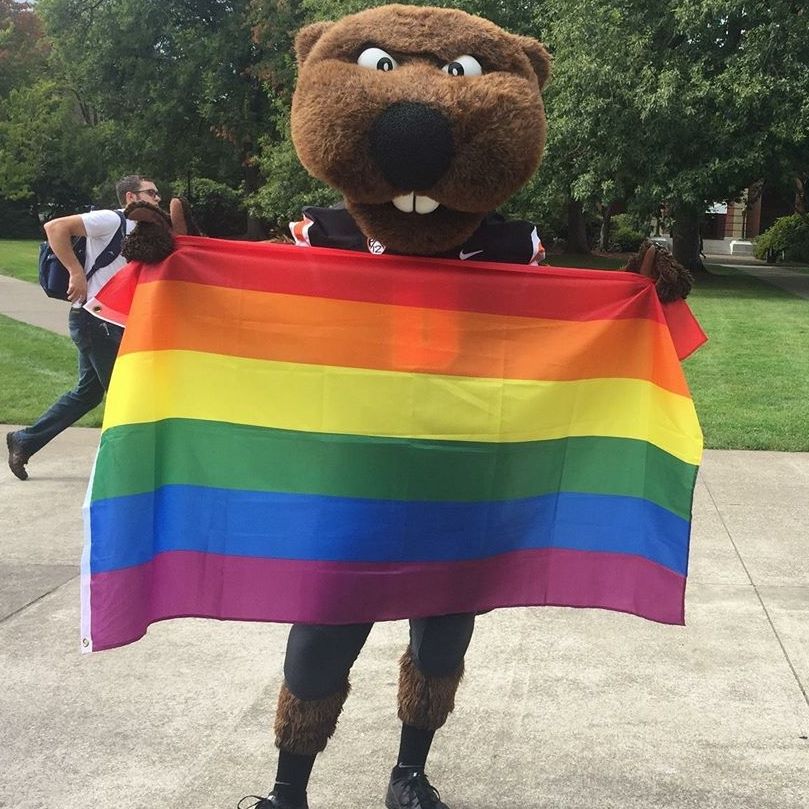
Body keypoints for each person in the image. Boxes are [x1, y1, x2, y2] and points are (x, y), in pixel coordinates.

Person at [6, 175, 161, 481]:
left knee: (88, 393)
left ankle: (24, 440)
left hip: (108, 322)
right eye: (152, 193)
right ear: (131, 197)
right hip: (95, 320)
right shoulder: (110, 219)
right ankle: (129, 468)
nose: (158, 198)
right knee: (124, 392)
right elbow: (55, 228)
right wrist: (75, 272)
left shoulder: (146, 229)